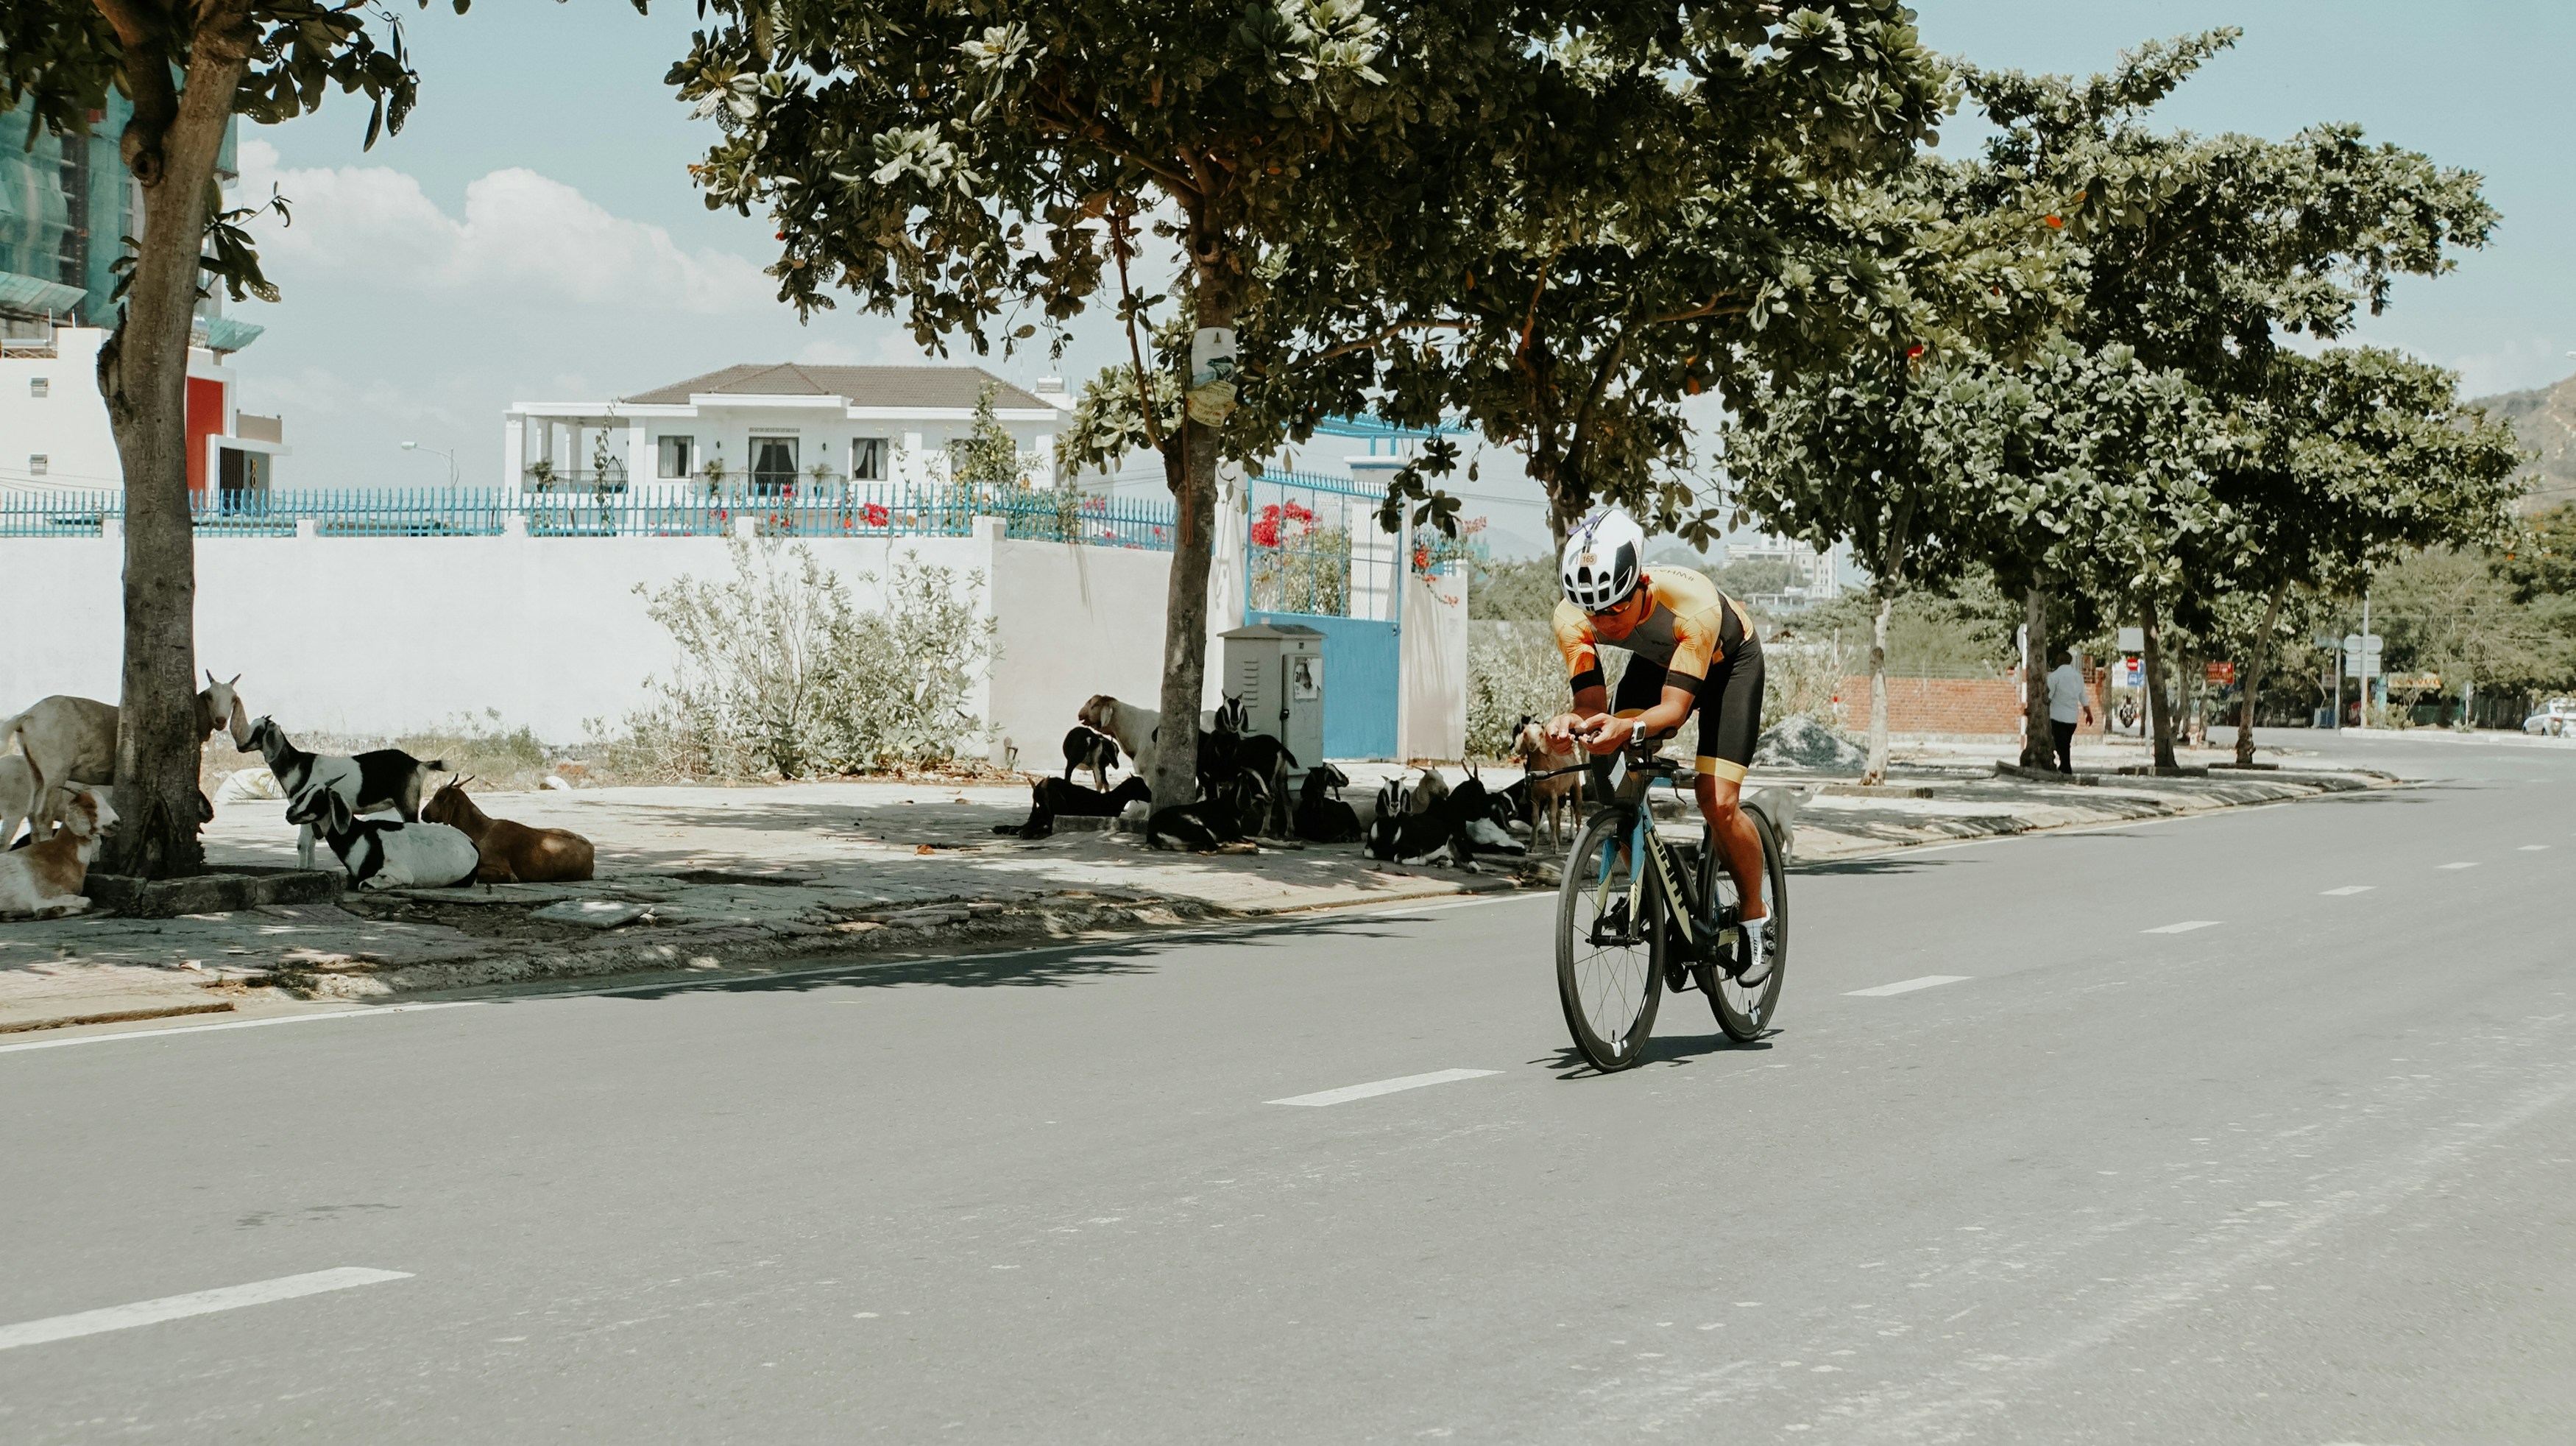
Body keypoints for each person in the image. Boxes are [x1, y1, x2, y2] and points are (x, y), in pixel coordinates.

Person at [1541, 509, 1773, 986]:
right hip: (1658, 661)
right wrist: (1571, 723)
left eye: (1614, 609)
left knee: (1716, 799)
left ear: (1639, 584)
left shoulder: (1692, 605)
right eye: (1594, 612)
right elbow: (1589, 704)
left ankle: (1756, 917)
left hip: (1727, 667)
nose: (1605, 621)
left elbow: (1672, 711)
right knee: (1612, 773)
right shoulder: (1572, 616)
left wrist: (1625, 728)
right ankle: (1651, 887)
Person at [2045, 649, 2093, 772]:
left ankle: (2066, 767)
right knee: (2065, 743)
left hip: (2057, 716)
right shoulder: (2078, 677)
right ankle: (2064, 765)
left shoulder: (2054, 676)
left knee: (2060, 744)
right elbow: (2083, 697)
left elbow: (2048, 697)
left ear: (2059, 661)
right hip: (2072, 718)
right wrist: (2089, 714)